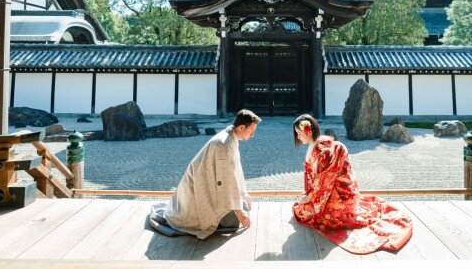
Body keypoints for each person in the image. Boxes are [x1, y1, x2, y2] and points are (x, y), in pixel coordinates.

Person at [291, 114, 413, 254]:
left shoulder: (324, 151)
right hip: (328, 190)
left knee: (305, 212)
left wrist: (310, 198)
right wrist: (309, 194)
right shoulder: (317, 145)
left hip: (339, 194)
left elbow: (324, 182)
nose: (298, 137)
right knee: (301, 207)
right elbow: (319, 180)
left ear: (308, 131)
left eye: (299, 133)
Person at [149, 109, 261, 238]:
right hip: (198, 192)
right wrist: (239, 213)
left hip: (207, 184)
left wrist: (243, 193)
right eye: (251, 131)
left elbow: (235, 171)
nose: (252, 135)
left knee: (239, 210)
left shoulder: (230, 136)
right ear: (241, 127)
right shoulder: (223, 144)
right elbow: (226, 182)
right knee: (234, 222)